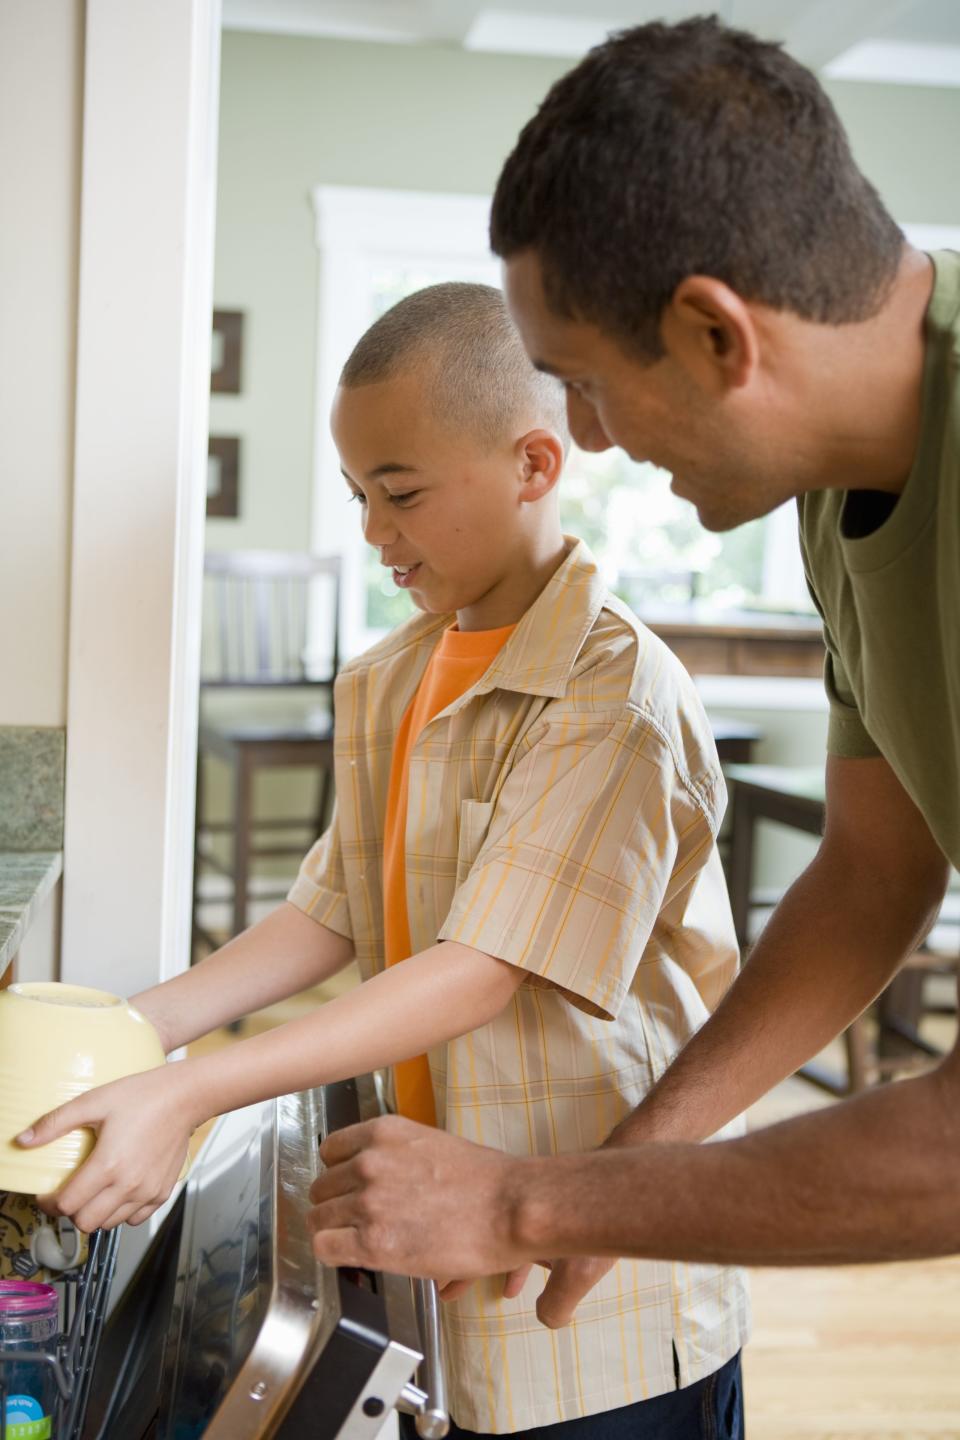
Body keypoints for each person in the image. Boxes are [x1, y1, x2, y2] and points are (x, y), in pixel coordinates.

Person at [304, 15, 960, 1319]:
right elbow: (880, 864)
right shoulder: (850, 482)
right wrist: (639, 1153)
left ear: (716, 333)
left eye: (585, 387)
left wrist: (526, 1199)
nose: (585, 442)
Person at [22, 282, 750, 1436]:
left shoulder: (613, 694)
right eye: (360, 495)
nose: (373, 531)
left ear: (533, 464)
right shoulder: (393, 677)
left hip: (597, 1286)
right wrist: (126, 1031)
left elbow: (479, 969)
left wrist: (194, 1087)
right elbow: (330, 913)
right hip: (448, 1235)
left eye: (400, 494)